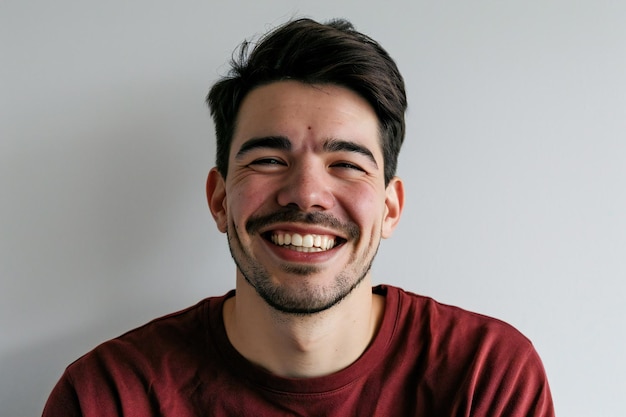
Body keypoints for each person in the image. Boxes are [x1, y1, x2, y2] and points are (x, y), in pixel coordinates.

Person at [42, 18, 555, 416]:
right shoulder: (106, 397)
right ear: (220, 199)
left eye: (347, 165)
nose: (306, 194)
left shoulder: (485, 376)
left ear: (390, 207)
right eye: (268, 160)